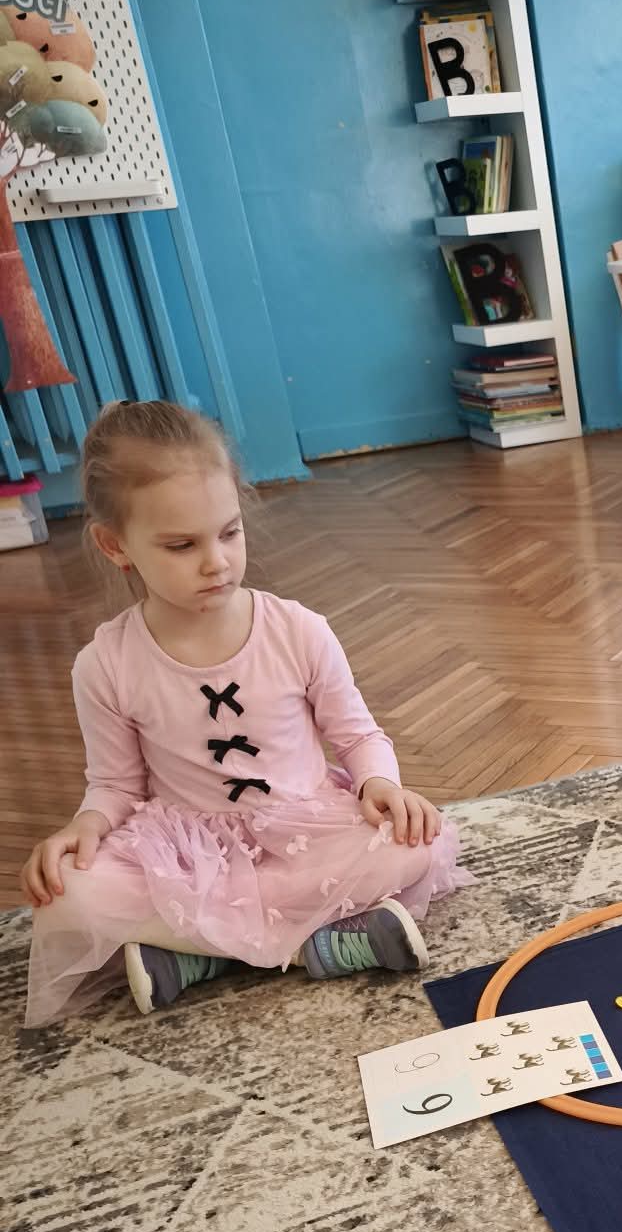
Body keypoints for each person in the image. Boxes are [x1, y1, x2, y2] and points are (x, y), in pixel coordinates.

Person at [20, 400, 468, 1026]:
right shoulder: (106, 663)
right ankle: (321, 943)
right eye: (182, 545)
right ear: (114, 545)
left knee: (416, 841)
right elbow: (116, 784)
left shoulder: (298, 630)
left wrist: (380, 784)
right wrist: (85, 826)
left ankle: (196, 953)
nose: (216, 561)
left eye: (229, 533)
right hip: (188, 853)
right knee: (71, 893)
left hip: (305, 832)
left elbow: (357, 734)